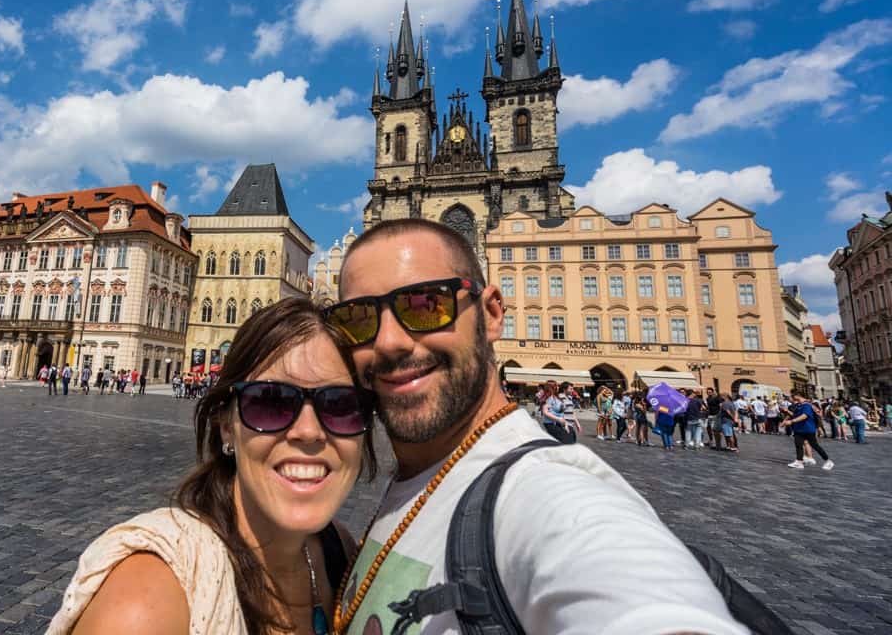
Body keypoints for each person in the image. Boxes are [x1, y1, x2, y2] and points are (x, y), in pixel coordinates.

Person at [323, 218, 745, 634]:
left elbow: (632, 589)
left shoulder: (547, 494)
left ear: (490, 314)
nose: (389, 341)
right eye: (359, 318)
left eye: (427, 304)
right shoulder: (410, 479)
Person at [48, 298, 375, 635]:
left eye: (340, 405)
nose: (309, 431)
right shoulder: (146, 603)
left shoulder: (339, 550)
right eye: (270, 401)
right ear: (226, 426)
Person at [784, 393, 834, 471]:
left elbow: (805, 416)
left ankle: (828, 461)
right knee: (798, 445)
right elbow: (795, 415)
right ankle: (799, 462)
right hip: (799, 429)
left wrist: (791, 421)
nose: (791, 398)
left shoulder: (807, 405)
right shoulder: (799, 405)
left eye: (792, 396)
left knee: (815, 445)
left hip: (807, 429)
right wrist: (787, 412)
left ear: (798, 395)